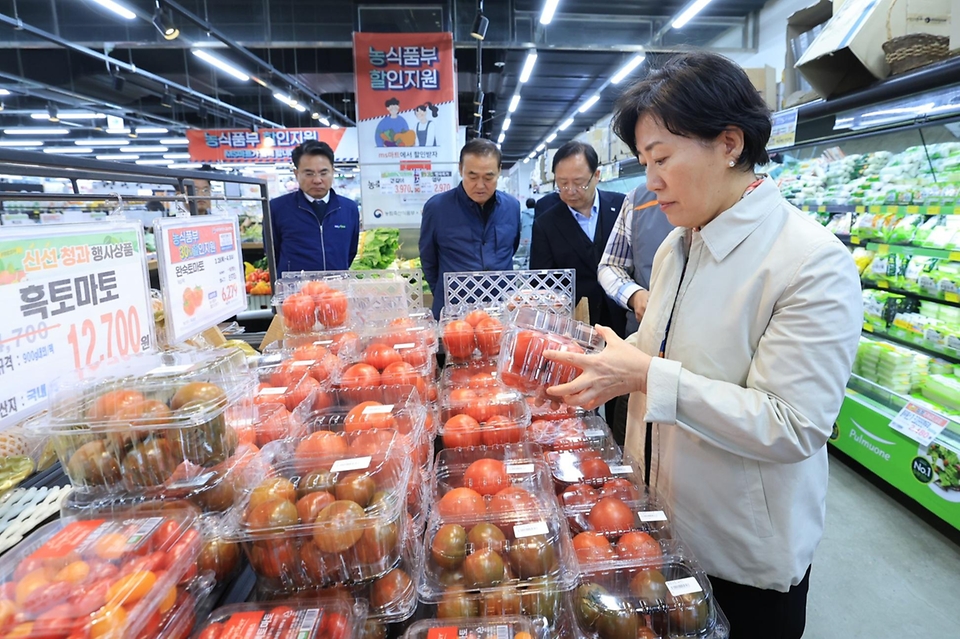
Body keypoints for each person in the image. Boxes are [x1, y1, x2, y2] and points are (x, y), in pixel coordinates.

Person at [543, 51, 862, 639]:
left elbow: (793, 425)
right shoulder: (676, 246)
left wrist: (645, 376)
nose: (650, 180)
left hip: (742, 560)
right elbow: (668, 346)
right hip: (661, 533)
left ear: (730, 143)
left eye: (662, 158)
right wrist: (613, 358)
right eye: (644, 161)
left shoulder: (810, 263)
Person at [530, 141, 627, 337]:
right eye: (562, 183)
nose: (570, 191)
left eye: (579, 182)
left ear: (597, 176)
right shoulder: (546, 223)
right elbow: (540, 283)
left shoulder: (622, 206)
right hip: (575, 328)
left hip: (624, 318)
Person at [419, 138, 521, 319]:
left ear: (499, 171)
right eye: (472, 177)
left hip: (501, 313)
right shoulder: (437, 208)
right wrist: (446, 294)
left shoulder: (512, 207)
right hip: (454, 315)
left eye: (488, 177)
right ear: (461, 170)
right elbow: (429, 260)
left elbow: (511, 248)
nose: (480, 185)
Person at [267, 140, 360, 274]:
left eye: (323, 173)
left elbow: (350, 252)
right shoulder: (277, 208)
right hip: (296, 291)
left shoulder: (348, 208)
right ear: (296, 173)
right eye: (309, 173)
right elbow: (272, 254)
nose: (317, 180)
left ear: (332, 172)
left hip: (336, 290)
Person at [598, 186, 674, 336]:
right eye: (645, 165)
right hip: (644, 333)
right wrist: (634, 294)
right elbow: (610, 265)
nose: (652, 181)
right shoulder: (636, 201)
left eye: (661, 161)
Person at [514, 197, 536, 269]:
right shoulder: (539, 213)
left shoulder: (522, 215)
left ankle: (526, 270)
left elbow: (519, 225)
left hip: (525, 238)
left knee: (525, 255)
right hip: (536, 237)